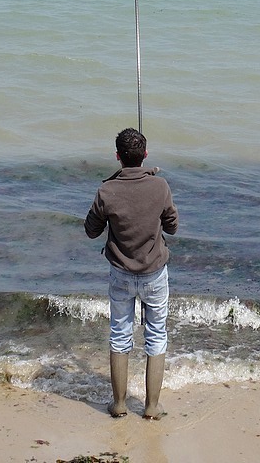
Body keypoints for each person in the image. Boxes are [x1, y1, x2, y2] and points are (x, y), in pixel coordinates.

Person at [84, 128, 178, 420]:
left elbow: (91, 230)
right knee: (156, 336)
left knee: (120, 335)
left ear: (117, 156)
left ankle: (120, 404)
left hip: (121, 274)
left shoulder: (107, 191)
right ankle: (151, 407)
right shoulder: (160, 186)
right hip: (154, 273)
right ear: (145, 154)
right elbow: (172, 226)